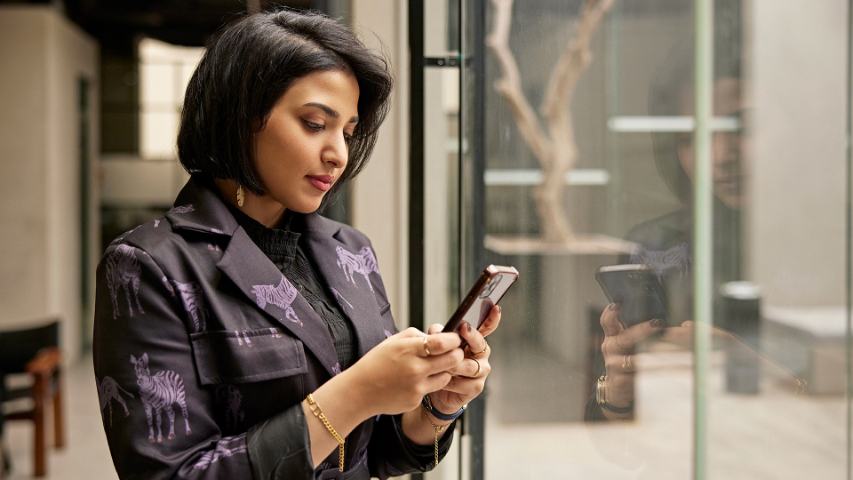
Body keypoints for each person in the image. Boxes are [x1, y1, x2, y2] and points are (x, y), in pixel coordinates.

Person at [93, 9, 499, 479]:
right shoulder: (149, 267)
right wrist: (357, 393)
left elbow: (377, 454)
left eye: (348, 132)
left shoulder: (351, 251)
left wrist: (435, 407)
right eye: (313, 124)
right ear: (241, 115)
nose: (339, 154)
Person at [587, 38, 746, 421]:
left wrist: (753, 368)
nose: (722, 156)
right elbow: (620, 456)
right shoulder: (653, 245)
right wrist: (620, 393)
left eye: (742, 126)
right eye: (692, 137)